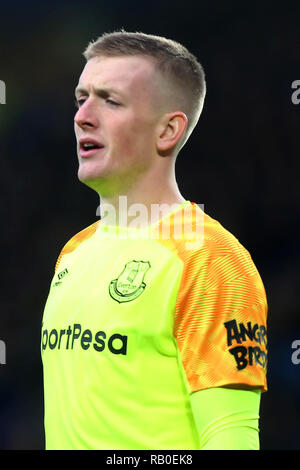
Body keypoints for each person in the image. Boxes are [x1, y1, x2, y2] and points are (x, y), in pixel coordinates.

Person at [41, 31, 268, 450]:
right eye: (81, 98)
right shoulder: (74, 252)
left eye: (110, 101)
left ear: (167, 130)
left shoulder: (210, 259)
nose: (83, 116)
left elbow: (231, 439)